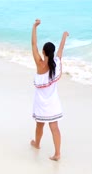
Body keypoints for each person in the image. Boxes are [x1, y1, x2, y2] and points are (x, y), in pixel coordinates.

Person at [30, 19, 69, 161]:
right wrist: (64, 36)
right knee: (55, 128)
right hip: (53, 103)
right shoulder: (56, 64)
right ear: (51, 53)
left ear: (43, 52)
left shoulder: (39, 64)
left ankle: (37, 144)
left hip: (41, 103)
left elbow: (33, 44)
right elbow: (61, 50)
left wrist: (34, 27)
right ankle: (57, 154)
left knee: (39, 126)